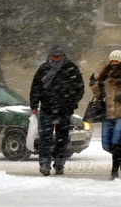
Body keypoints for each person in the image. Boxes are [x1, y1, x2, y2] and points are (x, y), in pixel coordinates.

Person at [29, 46, 85, 175]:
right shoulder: (43, 68)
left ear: (62, 56)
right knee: (46, 138)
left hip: (64, 110)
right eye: (54, 57)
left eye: (58, 57)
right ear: (50, 56)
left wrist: (71, 102)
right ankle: (44, 164)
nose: (56, 59)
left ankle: (59, 164)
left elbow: (79, 88)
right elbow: (36, 88)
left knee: (62, 139)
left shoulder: (71, 68)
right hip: (47, 109)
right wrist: (34, 106)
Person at [90, 50, 121, 180]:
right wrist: (94, 86)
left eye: (116, 61)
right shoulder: (105, 76)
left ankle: (114, 171)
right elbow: (99, 95)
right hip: (108, 114)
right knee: (106, 145)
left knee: (116, 141)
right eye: (112, 61)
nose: (113, 63)